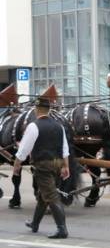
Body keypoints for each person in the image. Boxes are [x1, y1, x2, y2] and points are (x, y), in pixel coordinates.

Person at [13, 97, 70, 239]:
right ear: (49, 110)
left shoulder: (33, 126)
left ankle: (62, 229)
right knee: (43, 195)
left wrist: (16, 165)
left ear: (36, 110)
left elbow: (24, 150)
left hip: (43, 166)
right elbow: (65, 149)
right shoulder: (59, 126)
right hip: (57, 165)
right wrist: (66, 166)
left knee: (51, 196)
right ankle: (34, 223)